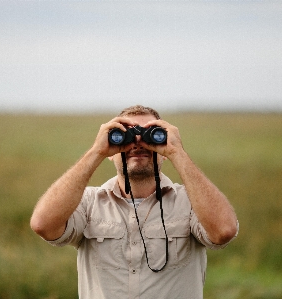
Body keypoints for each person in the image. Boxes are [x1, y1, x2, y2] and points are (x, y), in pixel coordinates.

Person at [30, 105, 238, 299]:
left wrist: (178, 153)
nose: (138, 144)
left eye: (150, 135)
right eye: (126, 135)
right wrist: (96, 152)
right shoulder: (88, 202)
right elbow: (43, 225)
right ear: (111, 151)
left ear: (163, 150)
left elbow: (223, 231)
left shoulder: (190, 202)